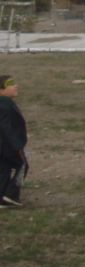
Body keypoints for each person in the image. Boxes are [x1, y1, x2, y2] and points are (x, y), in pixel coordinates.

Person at [0, 76, 28, 208]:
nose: (15, 86)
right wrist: (16, 145)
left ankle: (2, 196)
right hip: (9, 145)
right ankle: (11, 195)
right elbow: (5, 127)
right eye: (10, 84)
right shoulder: (5, 104)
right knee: (22, 165)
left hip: (4, 145)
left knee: (4, 169)